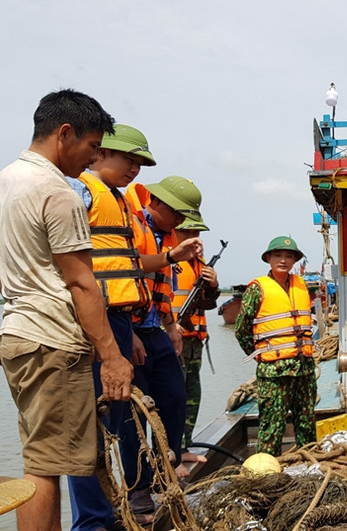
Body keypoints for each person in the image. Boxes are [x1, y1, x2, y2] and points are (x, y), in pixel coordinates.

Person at [0, 89, 133, 530]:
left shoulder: (8, 180)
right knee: (46, 466)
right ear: (65, 133)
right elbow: (80, 282)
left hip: (19, 334)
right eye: (93, 147)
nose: (93, 160)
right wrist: (113, 356)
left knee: (39, 456)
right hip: (53, 340)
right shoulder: (58, 193)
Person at [65, 124, 203, 530]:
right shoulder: (81, 192)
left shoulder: (120, 204)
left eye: (140, 163)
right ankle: (94, 520)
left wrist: (170, 255)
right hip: (97, 320)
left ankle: (116, 504)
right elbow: (67, 263)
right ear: (101, 152)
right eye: (130, 159)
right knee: (95, 424)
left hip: (123, 320)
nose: (135, 169)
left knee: (118, 414)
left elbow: (128, 266)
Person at [123, 175, 203, 514]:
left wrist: (171, 325)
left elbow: (163, 290)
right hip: (130, 327)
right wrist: (128, 333)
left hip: (157, 330)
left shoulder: (166, 236)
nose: (182, 223)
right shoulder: (131, 224)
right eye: (179, 215)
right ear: (157, 203)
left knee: (174, 399)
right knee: (134, 417)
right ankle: (137, 489)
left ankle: (164, 471)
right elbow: (122, 272)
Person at [235, 236, 317, 456]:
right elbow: (242, 330)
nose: (283, 260)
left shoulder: (301, 286)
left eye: (289, 256)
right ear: (269, 258)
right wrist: (261, 353)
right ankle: (268, 473)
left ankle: (309, 466)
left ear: (294, 260)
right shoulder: (257, 289)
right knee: (272, 427)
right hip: (273, 372)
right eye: (278, 255)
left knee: (307, 425)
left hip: (304, 369)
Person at [171, 215, 220, 460]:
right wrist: (166, 326)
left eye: (197, 233)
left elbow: (207, 304)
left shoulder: (199, 264)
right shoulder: (166, 260)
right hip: (173, 339)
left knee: (192, 396)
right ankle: (172, 451)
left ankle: (184, 446)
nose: (194, 238)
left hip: (195, 342)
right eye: (187, 232)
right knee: (173, 397)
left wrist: (213, 285)